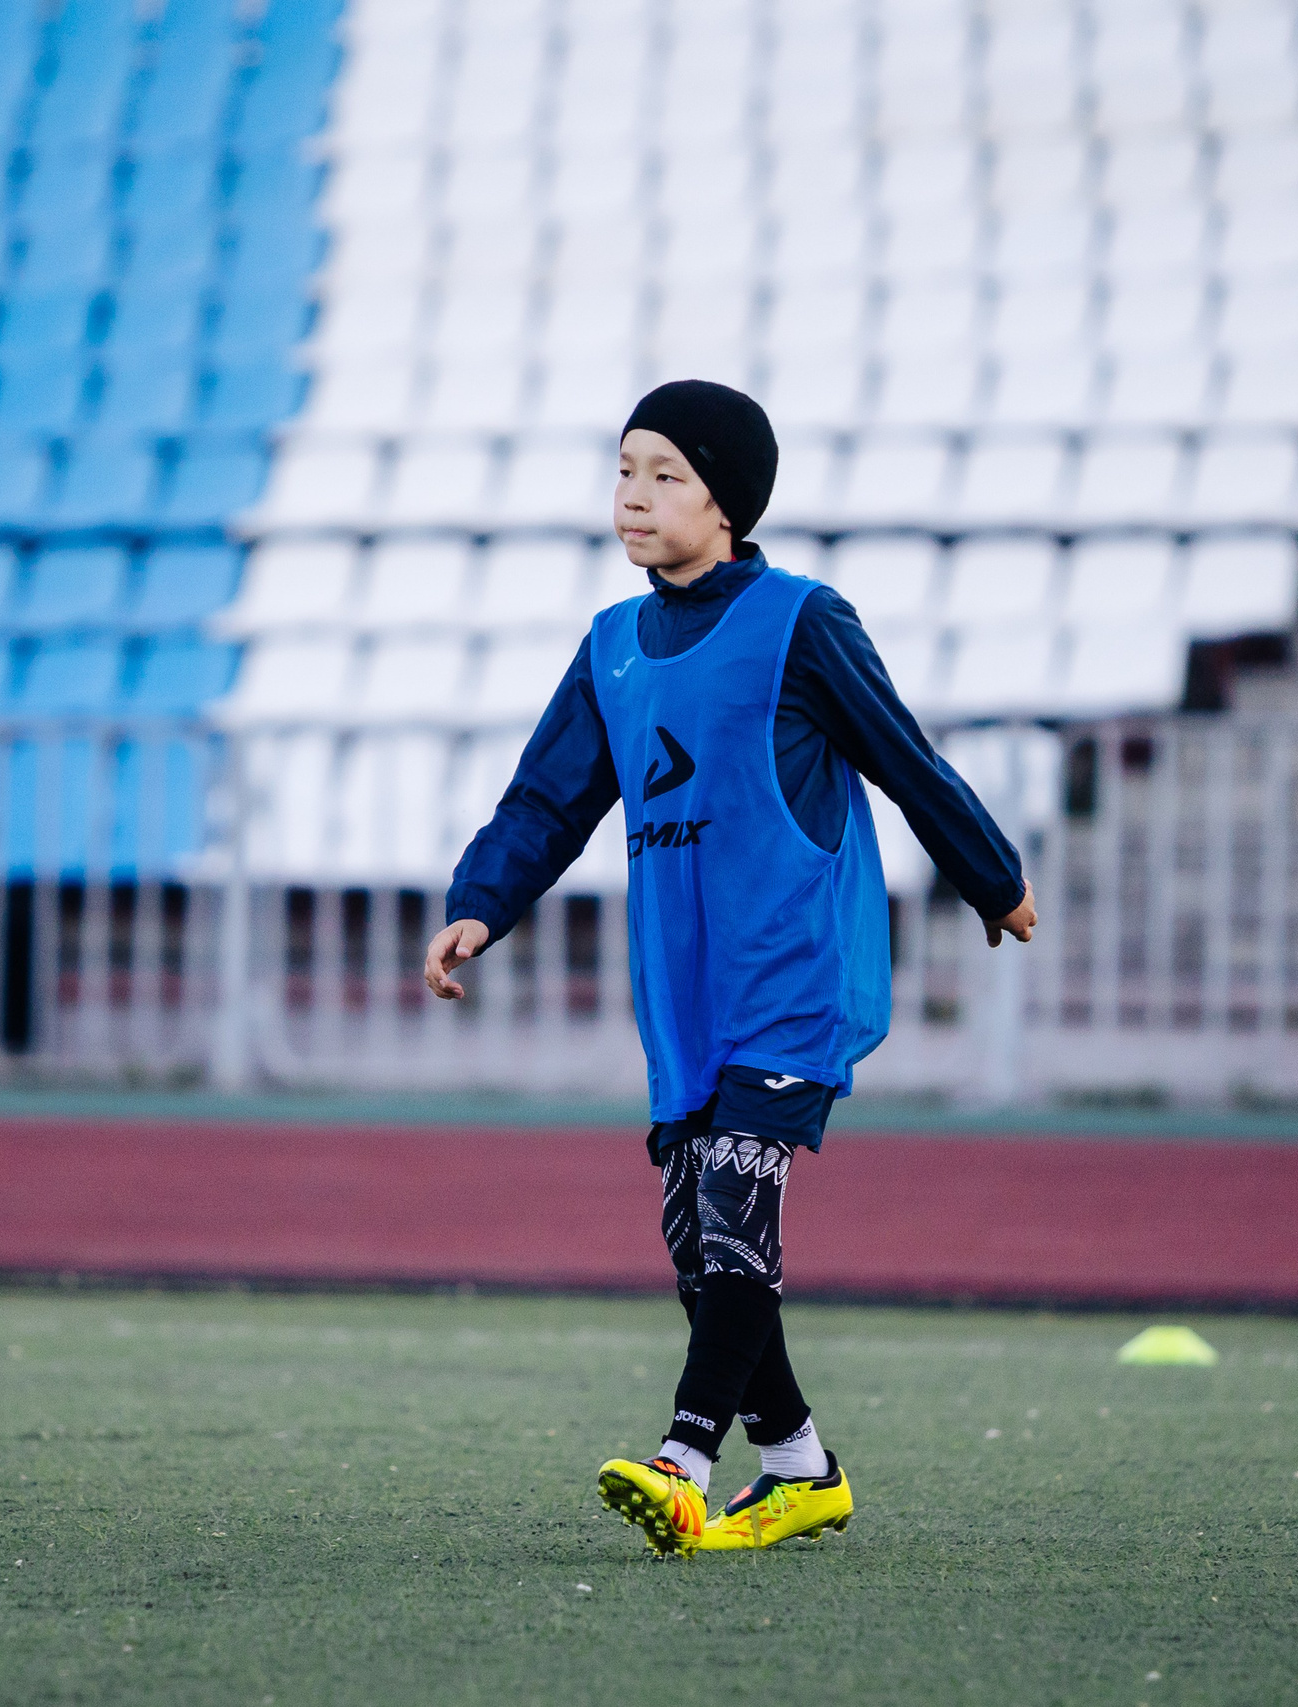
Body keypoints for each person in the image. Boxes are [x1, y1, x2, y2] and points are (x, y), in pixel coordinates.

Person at [422, 380, 1035, 1556]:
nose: (634, 496)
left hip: (794, 970)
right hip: (685, 992)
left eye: (665, 475)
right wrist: (480, 905)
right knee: (695, 1237)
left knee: (736, 1203)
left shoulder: (803, 620)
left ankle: (684, 1458)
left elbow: (906, 760)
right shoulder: (611, 646)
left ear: (726, 499)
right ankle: (800, 1467)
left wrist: (990, 877)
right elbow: (547, 799)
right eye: (624, 470)